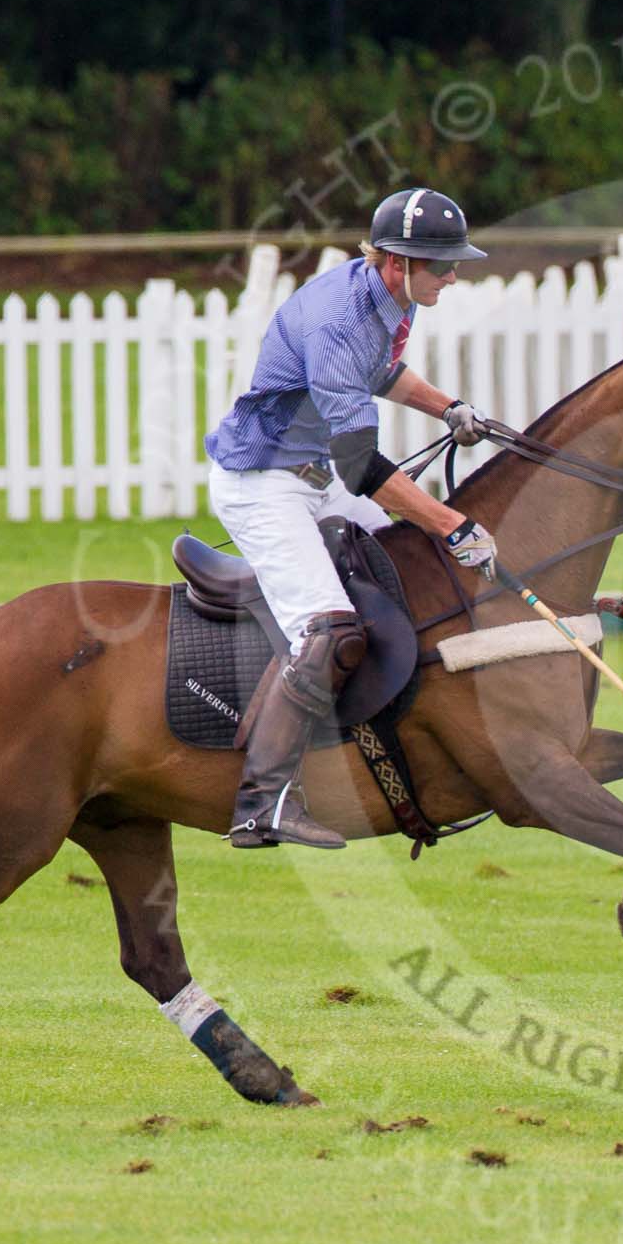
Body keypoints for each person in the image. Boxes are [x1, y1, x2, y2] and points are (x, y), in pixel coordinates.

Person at [205, 186, 497, 848]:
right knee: (331, 627)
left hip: (314, 475)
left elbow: (383, 372)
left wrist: (447, 406)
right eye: (440, 265)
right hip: (264, 484)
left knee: (402, 565)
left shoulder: (390, 296)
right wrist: (449, 523)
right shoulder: (339, 317)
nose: (452, 275)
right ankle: (261, 801)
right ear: (396, 261)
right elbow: (363, 465)